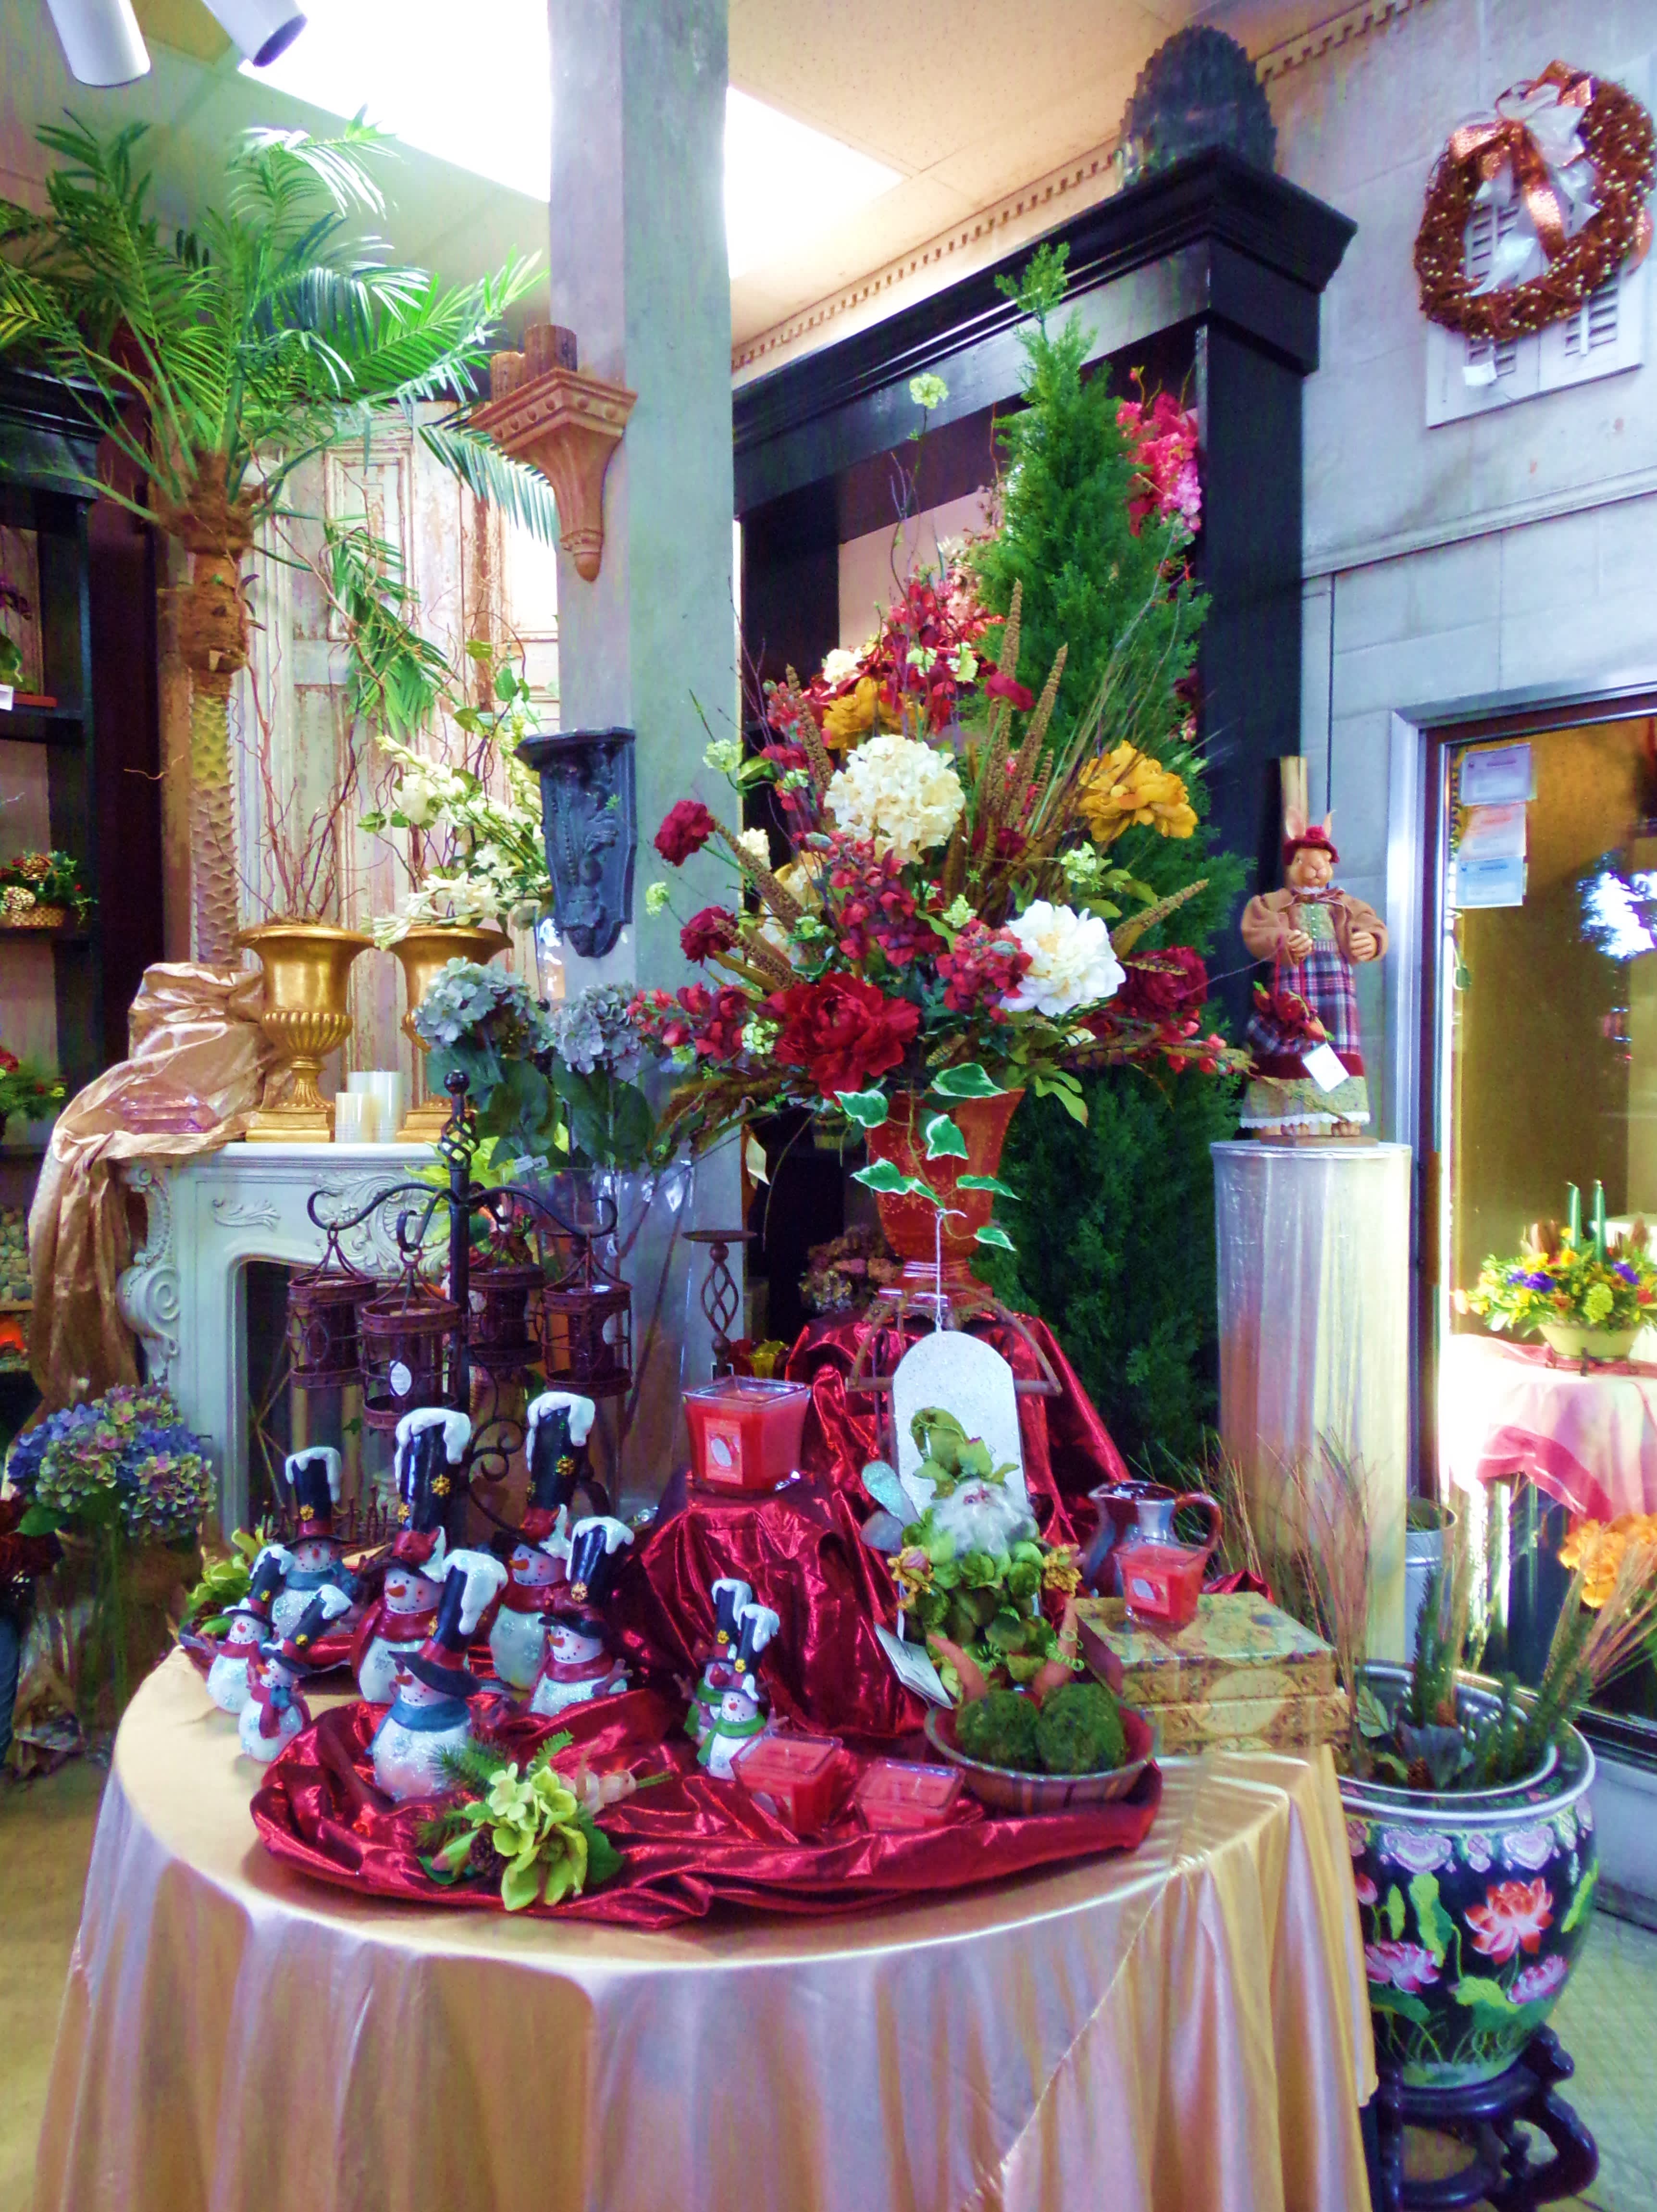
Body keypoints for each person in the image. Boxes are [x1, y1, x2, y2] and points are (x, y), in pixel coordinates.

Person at [1240, 814, 1386, 1139]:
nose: (1316, 869)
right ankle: (1295, 1110)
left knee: (1340, 1044)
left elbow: (1370, 922)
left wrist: (1372, 940)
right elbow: (1257, 928)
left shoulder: (1343, 903)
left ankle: (1344, 1113)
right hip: (1295, 986)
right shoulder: (1274, 904)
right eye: (1304, 860)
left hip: (1338, 989)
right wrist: (1282, 940)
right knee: (1296, 1042)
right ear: (1291, 864)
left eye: (1324, 861)